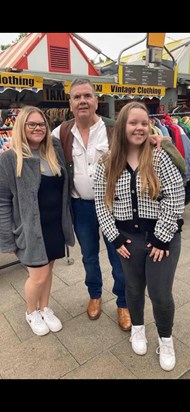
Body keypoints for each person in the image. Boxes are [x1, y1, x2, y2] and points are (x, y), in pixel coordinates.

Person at [52, 78, 186, 332]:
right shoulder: (60, 132)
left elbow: (144, 141)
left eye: (88, 96)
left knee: (120, 254)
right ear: (70, 103)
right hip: (81, 206)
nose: (83, 101)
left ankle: (124, 303)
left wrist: (164, 142)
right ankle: (95, 295)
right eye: (77, 97)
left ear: (96, 100)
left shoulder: (115, 127)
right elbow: (39, 146)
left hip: (116, 207)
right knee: (89, 256)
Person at [94, 101, 185, 372]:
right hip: (127, 239)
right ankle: (137, 327)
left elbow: (176, 195)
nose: (140, 128)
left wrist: (161, 237)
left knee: (160, 293)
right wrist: (114, 237)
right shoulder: (108, 161)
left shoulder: (160, 155)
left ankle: (165, 338)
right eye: (133, 123)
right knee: (132, 288)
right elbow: (101, 201)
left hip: (161, 239)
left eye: (144, 123)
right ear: (122, 126)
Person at [0, 106, 75, 337]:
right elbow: (2, 201)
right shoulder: (9, 158)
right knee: (38, 276)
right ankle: (31, 311)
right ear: (22, 126)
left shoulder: (53, 149)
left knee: (49, 270)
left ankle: (44, 308)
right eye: (31, 124)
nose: (37, 128)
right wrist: (7, 240)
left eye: (41, 124)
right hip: (31, 229)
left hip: (54, 226)